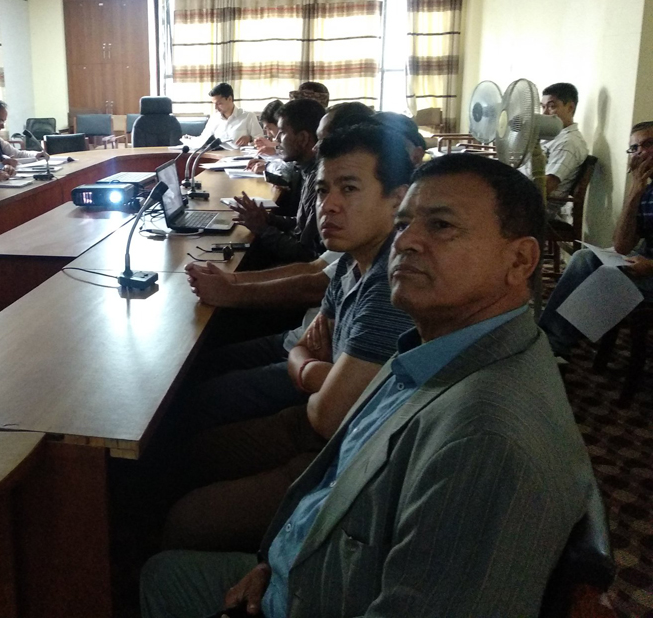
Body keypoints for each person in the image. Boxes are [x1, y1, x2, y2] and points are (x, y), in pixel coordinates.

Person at [141, 153, 595, 618]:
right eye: (403, 224)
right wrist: (273, 562)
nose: (406, 242)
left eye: (441, 226)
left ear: (519, 260)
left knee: (164, 566)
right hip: (302, 570)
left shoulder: (486, 441)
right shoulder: (436, 347)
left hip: (316, 599)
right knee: (165, 567)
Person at [162, 125, 415, 553]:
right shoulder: (355, 258)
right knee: (190, 455)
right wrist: (320, 369)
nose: (328, 205)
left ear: (398, 198)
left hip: (341, 451)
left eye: (349, 189)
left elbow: (329, 415)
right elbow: (315, 348)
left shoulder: (390, 281)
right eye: (323, 190)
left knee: (187, 519)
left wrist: (306, 365)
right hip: (312, 420)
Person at [540, 120, 653, 359]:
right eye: (634, 148)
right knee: (584, 258)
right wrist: (635, 190)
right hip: (643, 260)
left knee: (608, 278)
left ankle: (553, 345)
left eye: (649, 144)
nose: (641, 153)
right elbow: (622, 246)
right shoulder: (646, 191)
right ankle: (546, 340)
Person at [230, 99, 325, 264]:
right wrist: (268, 219)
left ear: (303, 138)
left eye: (282, 132)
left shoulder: (320, 180)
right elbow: (300, 223)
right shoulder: (306, 170)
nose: (277, 138)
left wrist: (262, 228)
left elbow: (306, 255)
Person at [519, 82, 588, 221]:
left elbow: (545, 187)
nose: (544, 113)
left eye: (551, 106)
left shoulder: (569, 142)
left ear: (570, 107)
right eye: (543, 107)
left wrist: (510, 188)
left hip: (536, 207)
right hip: (522, 194)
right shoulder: (550, 135)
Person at [0, 99, 47, 166]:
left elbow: (18, 154)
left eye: (4, 122)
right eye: (1, 121)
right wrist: (2, 165)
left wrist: (37, 155)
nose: (3, 126)